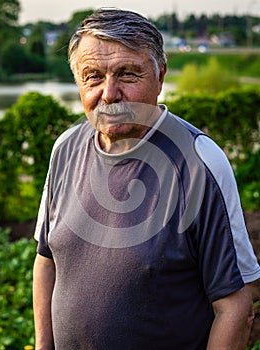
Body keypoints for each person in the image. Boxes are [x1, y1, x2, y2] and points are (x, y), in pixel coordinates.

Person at [33, 8, 260, 350]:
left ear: (160, 76)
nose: (109, 93)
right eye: (92, 76)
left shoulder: (199, 161)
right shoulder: (66, 149)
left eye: (127, 74)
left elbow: (236, 304)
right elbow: (46, 260)